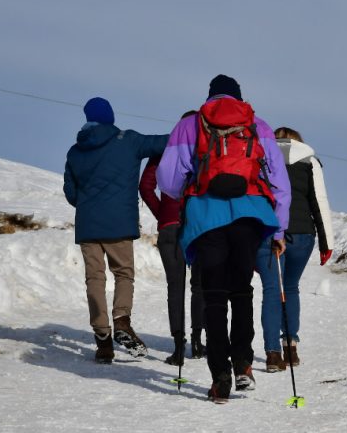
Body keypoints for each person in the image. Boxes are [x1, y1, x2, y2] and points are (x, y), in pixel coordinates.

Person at [156, 75, 290, 402]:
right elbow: (279, 181)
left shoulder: (191, 125)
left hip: (206, 217)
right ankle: (244, 362)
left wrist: (192, 188)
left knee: (213, 293)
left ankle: (220, 377)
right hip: (251, 215)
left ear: (210, 97)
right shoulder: (259, 126)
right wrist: (280, 229)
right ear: (239, 99)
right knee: (241, 289)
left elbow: (168, 180)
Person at [64, 97, 169, 364]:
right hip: (119, 224)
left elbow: (71, 193)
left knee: (94, 279)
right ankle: (122, 320)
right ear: (111, 116)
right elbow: (164, 142)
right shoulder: (129, 140)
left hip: (88, 225)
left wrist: (90, 203)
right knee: (123, 274)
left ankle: (102, 342)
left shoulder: (75, 151)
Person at [255, 126, 334, 372]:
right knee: (290, 288)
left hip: (268, 231)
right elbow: (318, 201)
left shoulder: (260, 156)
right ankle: (290, 345)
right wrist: (326, 242)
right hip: (302, 234)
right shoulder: (310, 161)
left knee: (271, 290)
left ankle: (272, 354)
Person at [139, 114, 205, 365]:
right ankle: (198, 343)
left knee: (175, 286)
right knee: (200, 284)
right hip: (199, 226)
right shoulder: (204, 151)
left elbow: (146, 186)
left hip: (170, 226)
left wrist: (163, 214)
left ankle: (178, 348)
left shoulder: (165, 149)